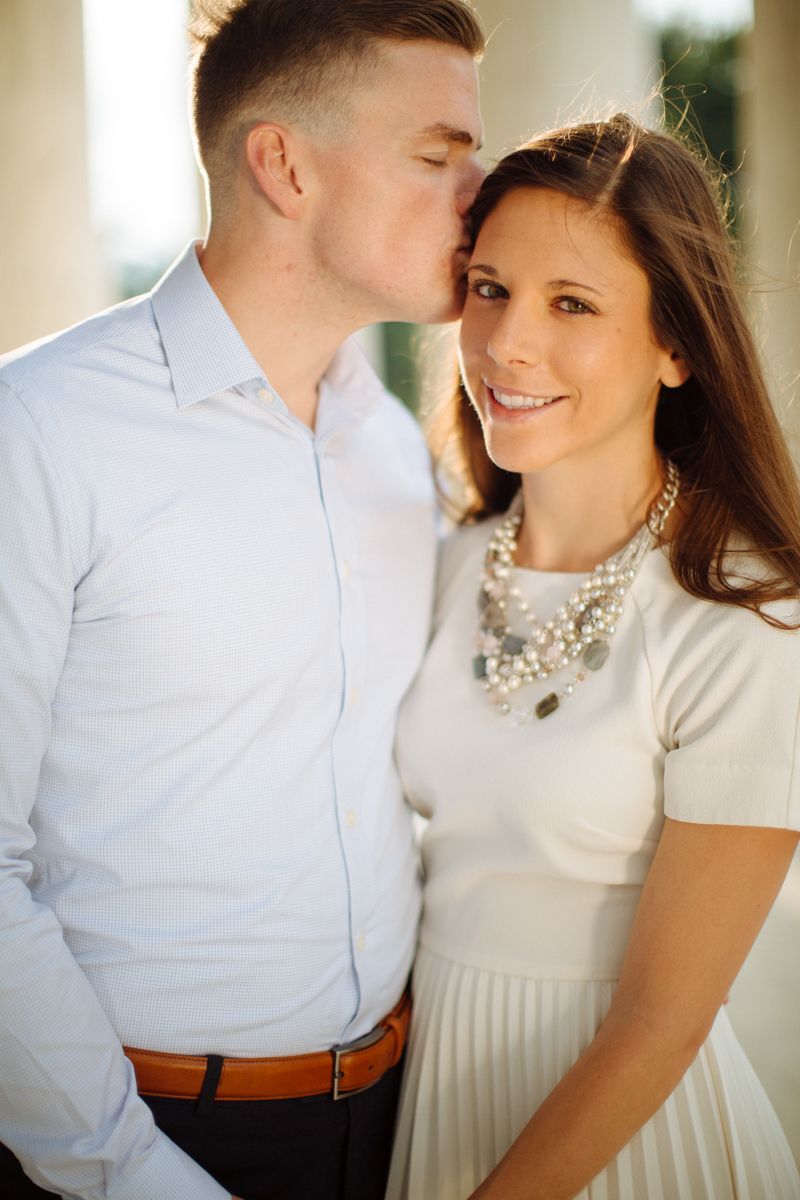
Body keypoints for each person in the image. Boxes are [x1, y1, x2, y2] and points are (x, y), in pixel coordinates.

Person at [0, 2, 485, 1198]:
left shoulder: (397, 451)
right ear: (283, 165)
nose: (481, 191)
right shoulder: (39, 432)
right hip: (132, 1144)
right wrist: (126, 1171)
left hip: (391, 1125)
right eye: (437, 157)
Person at [386, 113, 800, 1200]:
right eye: (488, 289)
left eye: (571, 304)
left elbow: (661, 1022)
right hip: (425, 1106)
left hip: (624, 1140)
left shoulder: (745, 616)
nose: (507, 342)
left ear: (675, 346)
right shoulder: (439, 564)